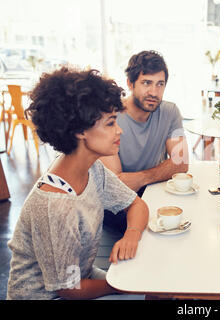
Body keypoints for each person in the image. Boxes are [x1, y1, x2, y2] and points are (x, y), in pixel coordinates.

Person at [7, 68, 149, 300]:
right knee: (143, 293)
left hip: (81, 279)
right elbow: (67, 289)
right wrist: (119, 285)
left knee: (148, 287)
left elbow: (137, 205)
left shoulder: (92, 168)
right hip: (51, 296)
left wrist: (131, 234)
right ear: (80, 131)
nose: (119, 130)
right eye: (111, 123)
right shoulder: (55, 206)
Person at [100, 50, 188, 233]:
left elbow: (182, 162)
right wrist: (161, 171)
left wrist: (141, 178)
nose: (154, 92)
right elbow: (116, 185)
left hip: (155, 192)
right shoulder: (109, 117)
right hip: (117, 207)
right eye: (146, 83)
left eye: (160, 84)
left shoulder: (170, 112)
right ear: (130, 84)